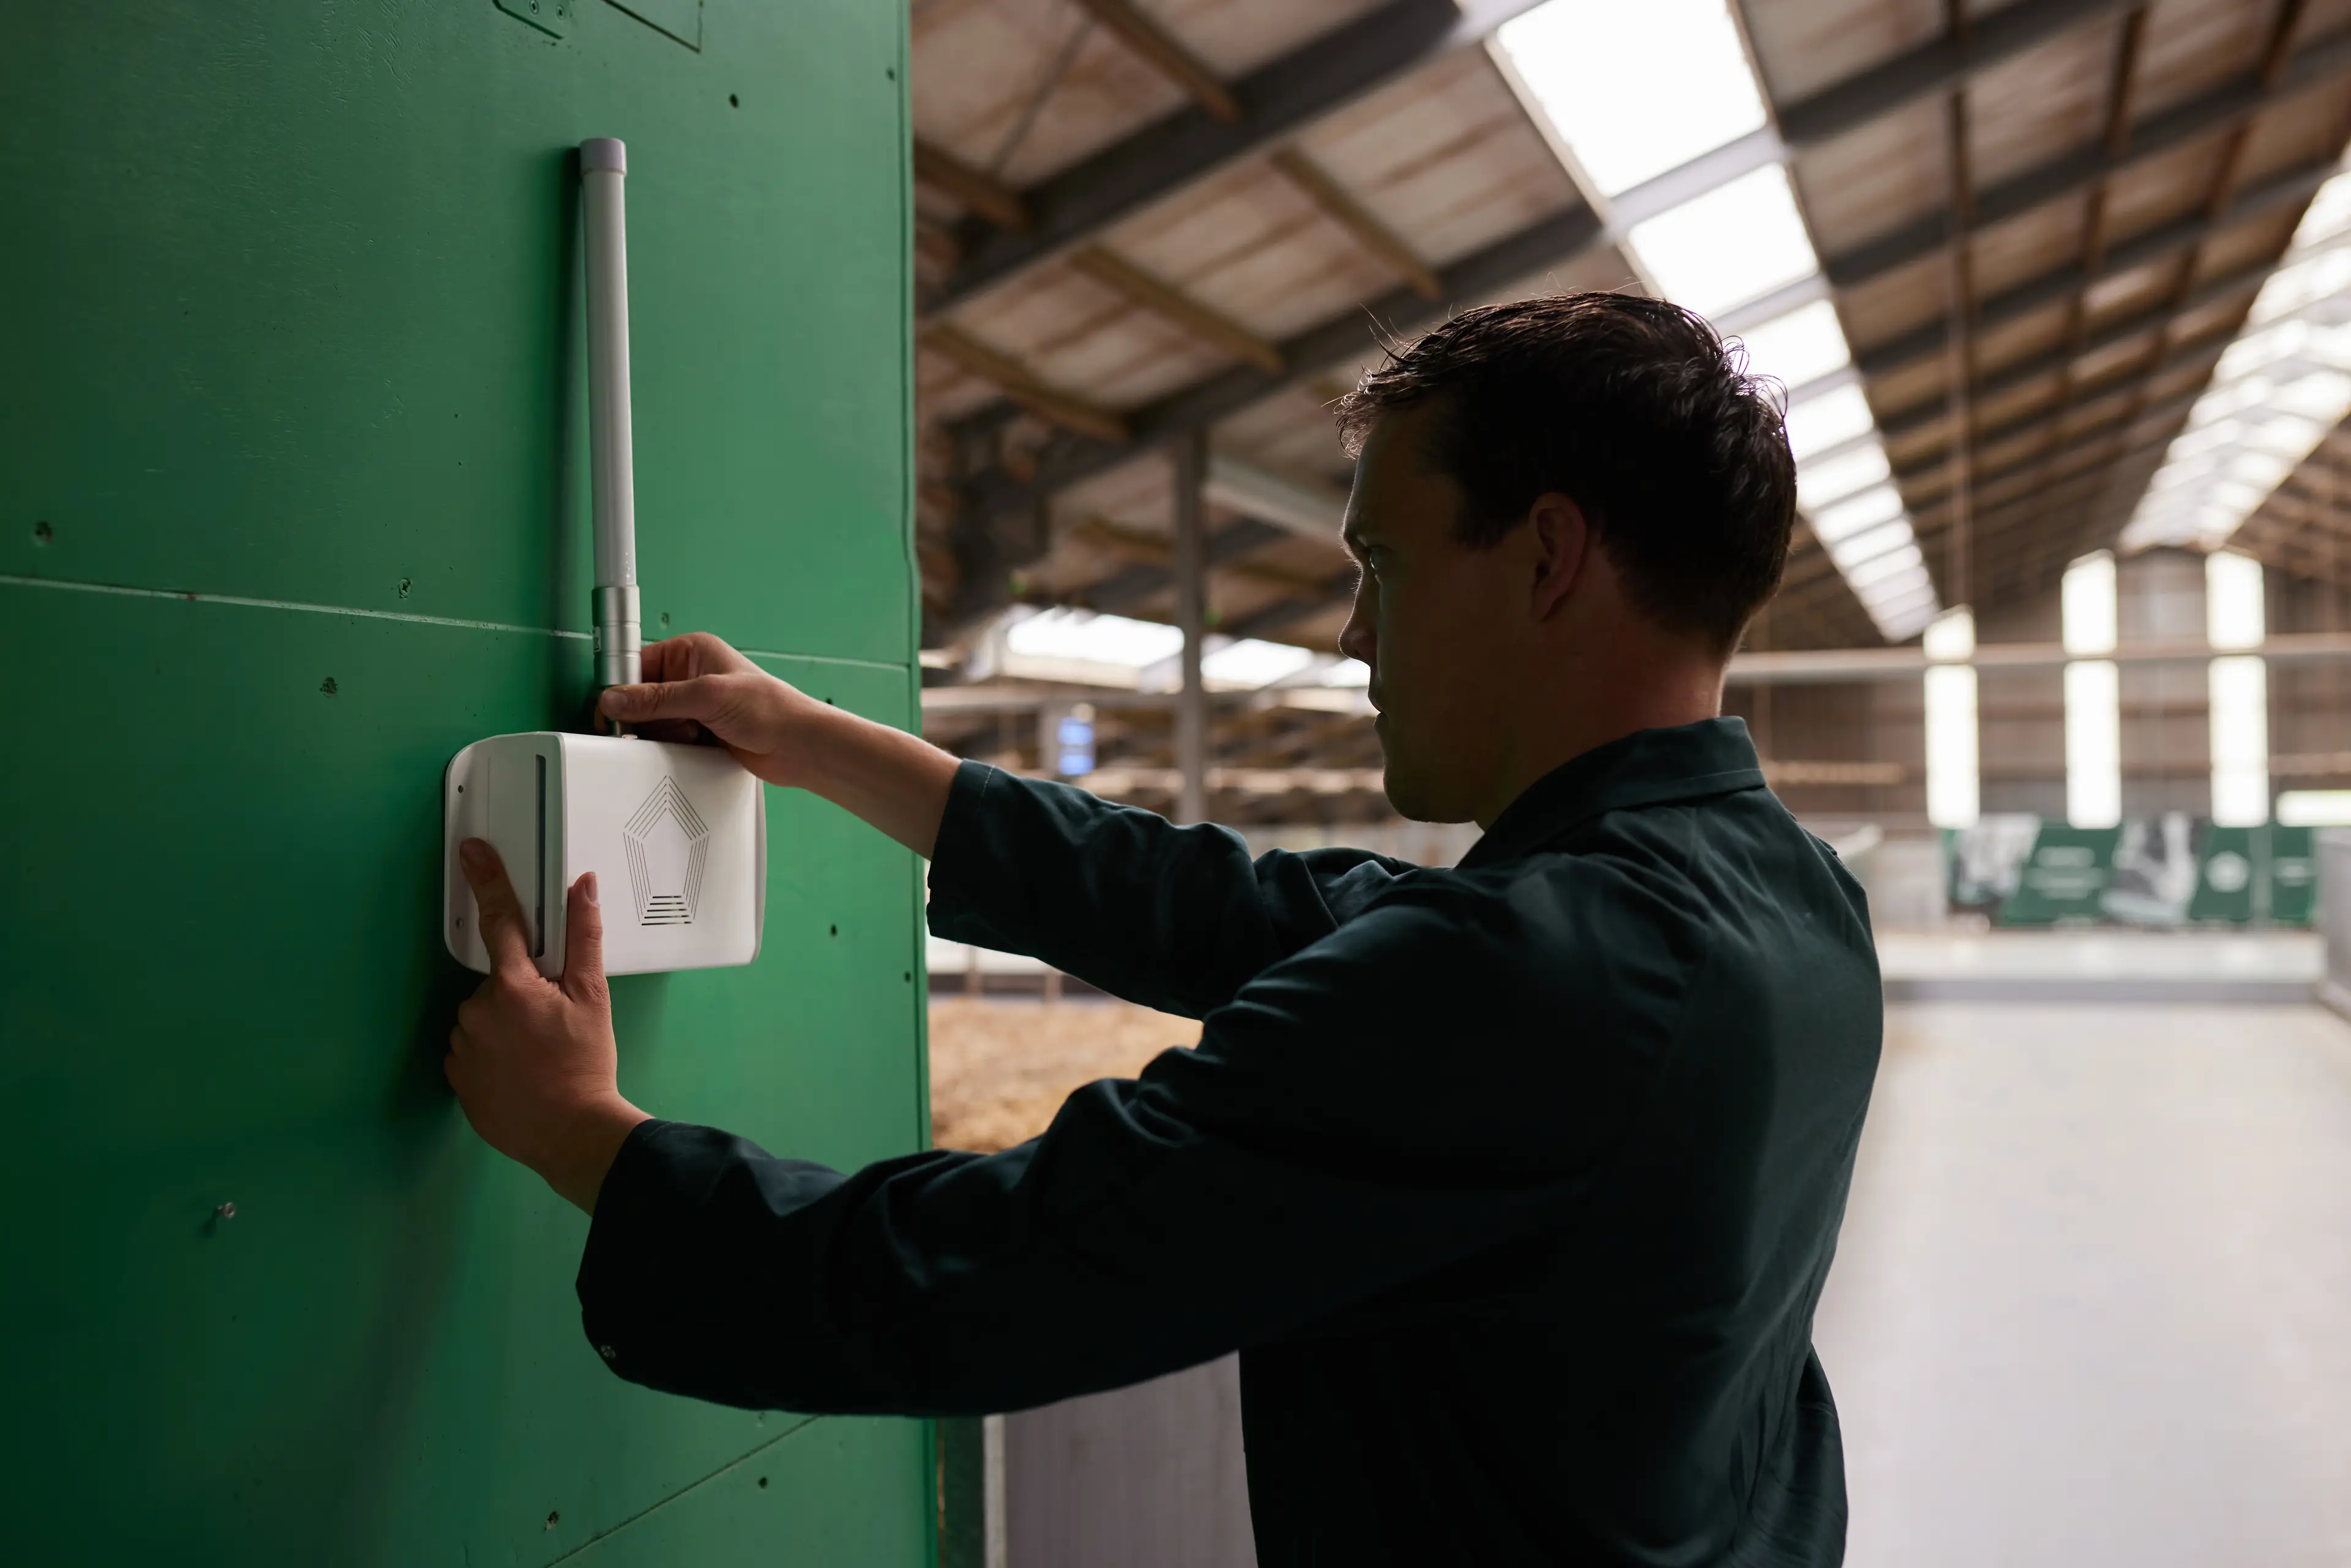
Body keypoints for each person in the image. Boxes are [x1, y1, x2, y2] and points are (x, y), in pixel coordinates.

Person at [444, 293, 1881, 1566]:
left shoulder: (1533, 975)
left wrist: (581, 1129)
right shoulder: (1795, 901)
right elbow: (1242, 911)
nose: (1354, 636)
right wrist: (817, 743)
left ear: (1548, 555)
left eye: (1380, 561)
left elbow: (995, 1275)